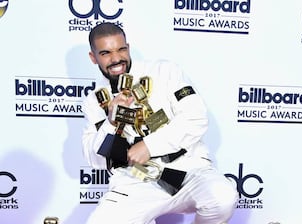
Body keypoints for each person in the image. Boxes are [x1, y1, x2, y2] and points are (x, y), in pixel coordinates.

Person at [81, 22, 238, 224]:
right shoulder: (94, 100)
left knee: (222, 196)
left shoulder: (165, 72)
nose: (116, 58)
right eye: (106, 53)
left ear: (128, 48)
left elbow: (196, 117)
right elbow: (95, 159)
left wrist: (149, 146)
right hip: (136, 179)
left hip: (188, 168)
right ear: (93, 57)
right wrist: (111, 122)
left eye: (121, 49)